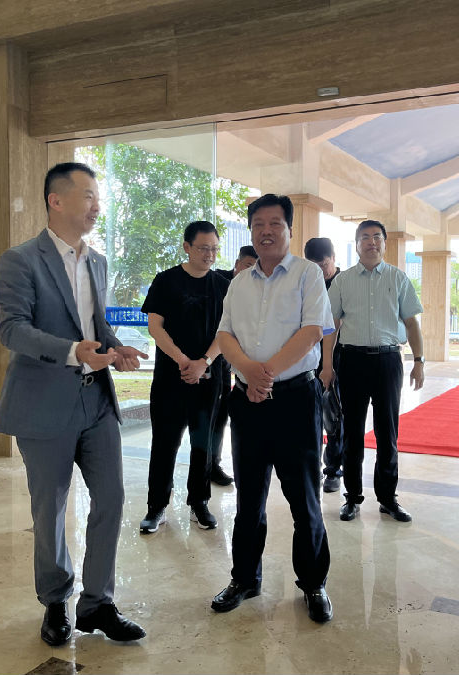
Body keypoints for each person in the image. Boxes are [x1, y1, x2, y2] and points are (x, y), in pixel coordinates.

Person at [0, 162, 147, 646]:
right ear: (56, 200)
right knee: (51, 510)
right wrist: (71, 351)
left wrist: (114, 347)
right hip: (43, 403)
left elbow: (94, 326)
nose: (97, 205)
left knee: (112, 499)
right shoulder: (21, 260)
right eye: (88, 195)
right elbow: (11, 329)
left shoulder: (96, 261)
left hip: (95, 402)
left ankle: (98, 602)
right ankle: (56, 600)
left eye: (98, 196)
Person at [211, 194, 335, 623]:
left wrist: (266, 375)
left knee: (304, 499)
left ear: (289, 230)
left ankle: (313, 584)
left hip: (295, 400)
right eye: (258, 224)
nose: (266, 231)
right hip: (247, 402)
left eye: (275, 224)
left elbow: (312, 330)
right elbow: (224, 335)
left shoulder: (307, 274)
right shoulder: (239, 282)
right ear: (251, 231)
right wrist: (248, 372)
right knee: (249, 498)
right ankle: (244, 578)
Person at [321, 220, 424, 523]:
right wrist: (327, 365)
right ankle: (352, 498)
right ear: (356, 245)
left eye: (377, 237)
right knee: (352, 433)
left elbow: (411, 323)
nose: (371, 242)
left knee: (387, 433)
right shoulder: (343, 281)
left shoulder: (398, 278)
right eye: (365, 237)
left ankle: (388, 498)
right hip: (351, 361)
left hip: (388, 361)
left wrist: (419, 361)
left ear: (384, 243)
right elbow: (331, 326)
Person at [138, 221, 230, 534]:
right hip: (170, 377)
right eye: (203, 248)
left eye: (214, 249)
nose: (209, 255)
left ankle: (199, 502)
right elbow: (155, 326)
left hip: (208, 377)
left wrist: (204, 362)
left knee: (203, 443)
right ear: (187, 247)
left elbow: (227, 332)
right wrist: (182, 360)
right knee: (164, 442)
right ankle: (157, 506)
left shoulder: (223, 285)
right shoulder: (166, 281)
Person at [210, 244, 259, 485]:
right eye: (248, 265)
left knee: (221, 414)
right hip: (207, 355)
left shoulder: (256, 287)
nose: (251, 271)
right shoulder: (218, 282)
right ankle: (203, 465)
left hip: (229, 363)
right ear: (237, 264)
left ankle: (214, 464)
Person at [303, 236, 344, 493]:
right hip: (309, 359)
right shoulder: (307, 282)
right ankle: (312, 467)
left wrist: (329, 365)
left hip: (338, 359)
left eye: (323, 264)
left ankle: (333, 470)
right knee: (311, 417)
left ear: (333, 259)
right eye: (314, 265)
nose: (319, 270)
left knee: (334, 417)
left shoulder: (343, 283)